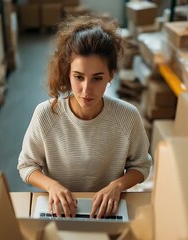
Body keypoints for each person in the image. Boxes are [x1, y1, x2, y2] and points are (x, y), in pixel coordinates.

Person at [17, 15, 152, 219]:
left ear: (111, 75)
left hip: (106, 210)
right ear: (67, 72)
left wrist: (118, 185)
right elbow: (27, 165)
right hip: (59, 209)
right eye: (78, 77)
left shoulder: (127, 116)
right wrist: (51, 186)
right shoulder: (45, 115)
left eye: (97, 78)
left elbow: (141, 166)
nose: (86, 90)